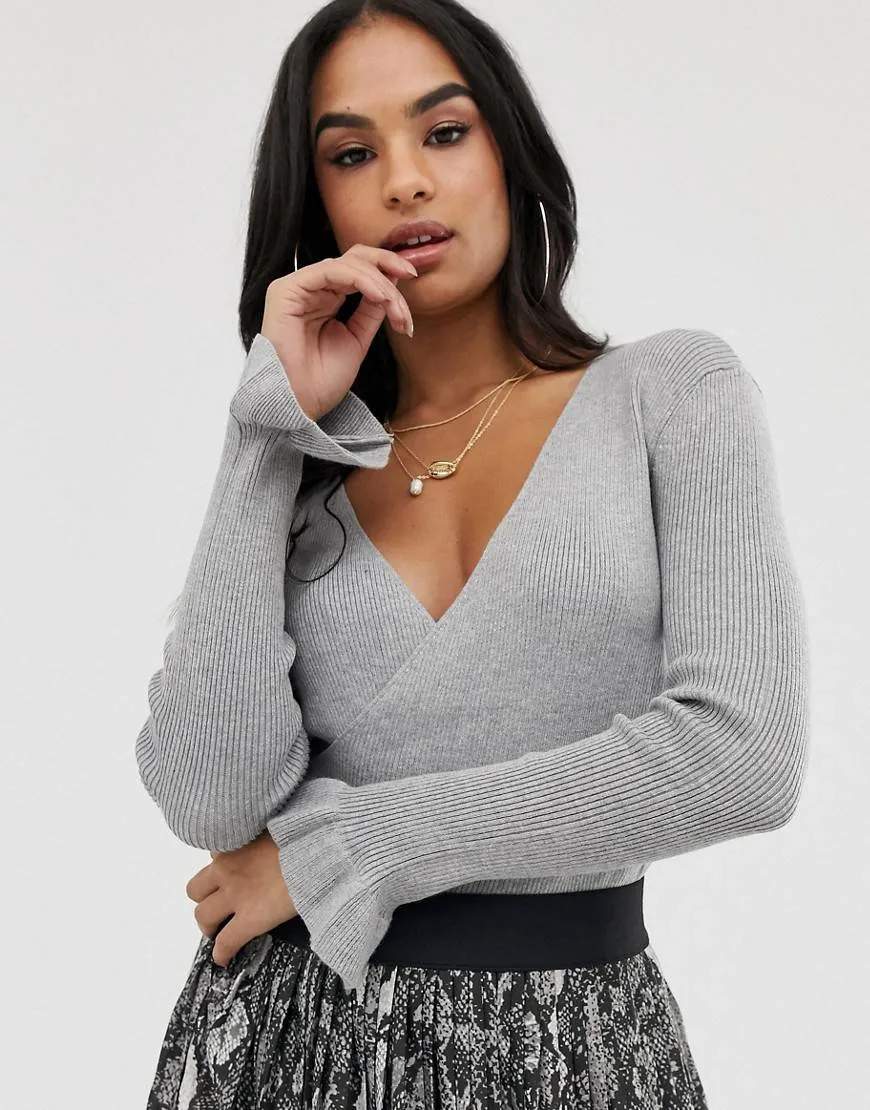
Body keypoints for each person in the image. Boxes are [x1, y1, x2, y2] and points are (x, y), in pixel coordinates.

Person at [137, 1, 810, 1107]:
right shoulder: (298, 461)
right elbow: (215, 799)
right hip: (287, 1043)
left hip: (573, 1044)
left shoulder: (672, 393)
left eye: (444, 132)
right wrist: (267, 424)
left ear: (510, 152)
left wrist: (349, 848)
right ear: (317, 200)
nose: (404, 181)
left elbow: (742, 756)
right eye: (352, 154)